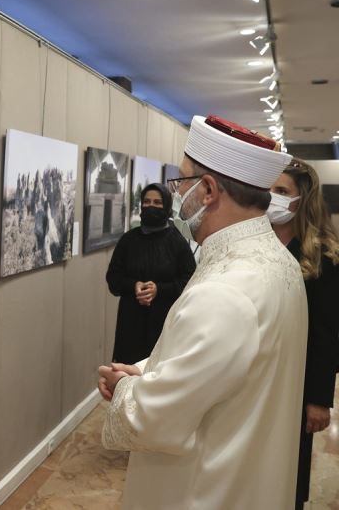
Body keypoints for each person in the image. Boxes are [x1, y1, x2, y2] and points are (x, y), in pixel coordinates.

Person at [98, 115, 308, 509]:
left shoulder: (227, 289)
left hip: (204, 490)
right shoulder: (278, 261)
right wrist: (145, 370)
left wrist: (124, 388)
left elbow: (154, 420)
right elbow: (222, 364)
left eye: (181, 183)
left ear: (208, 190)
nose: (178, 197)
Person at [268, 159, 339, 510]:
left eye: (281, 191)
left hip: (297, 379)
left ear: (302, 200)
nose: (272, 198)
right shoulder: (257, 242)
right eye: (269, 189)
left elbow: (328, 331)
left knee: (287, 470)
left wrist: (319, 398)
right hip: (256, 376)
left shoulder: (322, 254)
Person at [106, 183, 196, 363]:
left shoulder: (177, 243)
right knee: (127, 378)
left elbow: (191, 282)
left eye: (157, 202)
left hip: (165, 324)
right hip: (131, 324)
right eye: (146, 202)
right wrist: (134, 286)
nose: (151, 206)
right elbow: (114, 280)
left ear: (167, 206)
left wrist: (159, 289)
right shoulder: (128, 241)